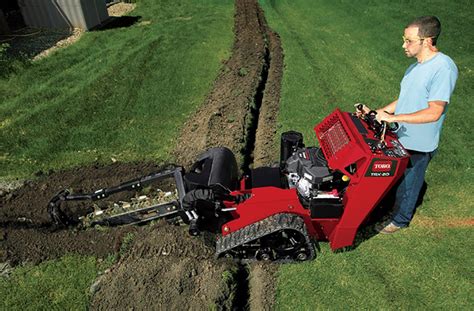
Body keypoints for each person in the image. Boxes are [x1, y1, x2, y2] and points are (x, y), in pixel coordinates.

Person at [373, 16, 458, 234]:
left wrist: (394, 119)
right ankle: (388, 209)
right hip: (402, 135)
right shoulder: (414, 68)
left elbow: (434, 111)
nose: (404, 45)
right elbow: (406, 98)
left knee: (409, 183)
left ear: (427, 41)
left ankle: (400, 220)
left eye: (409, 40)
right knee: (394, 178)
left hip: (420, 142)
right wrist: (381, 112)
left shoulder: (443, 68)